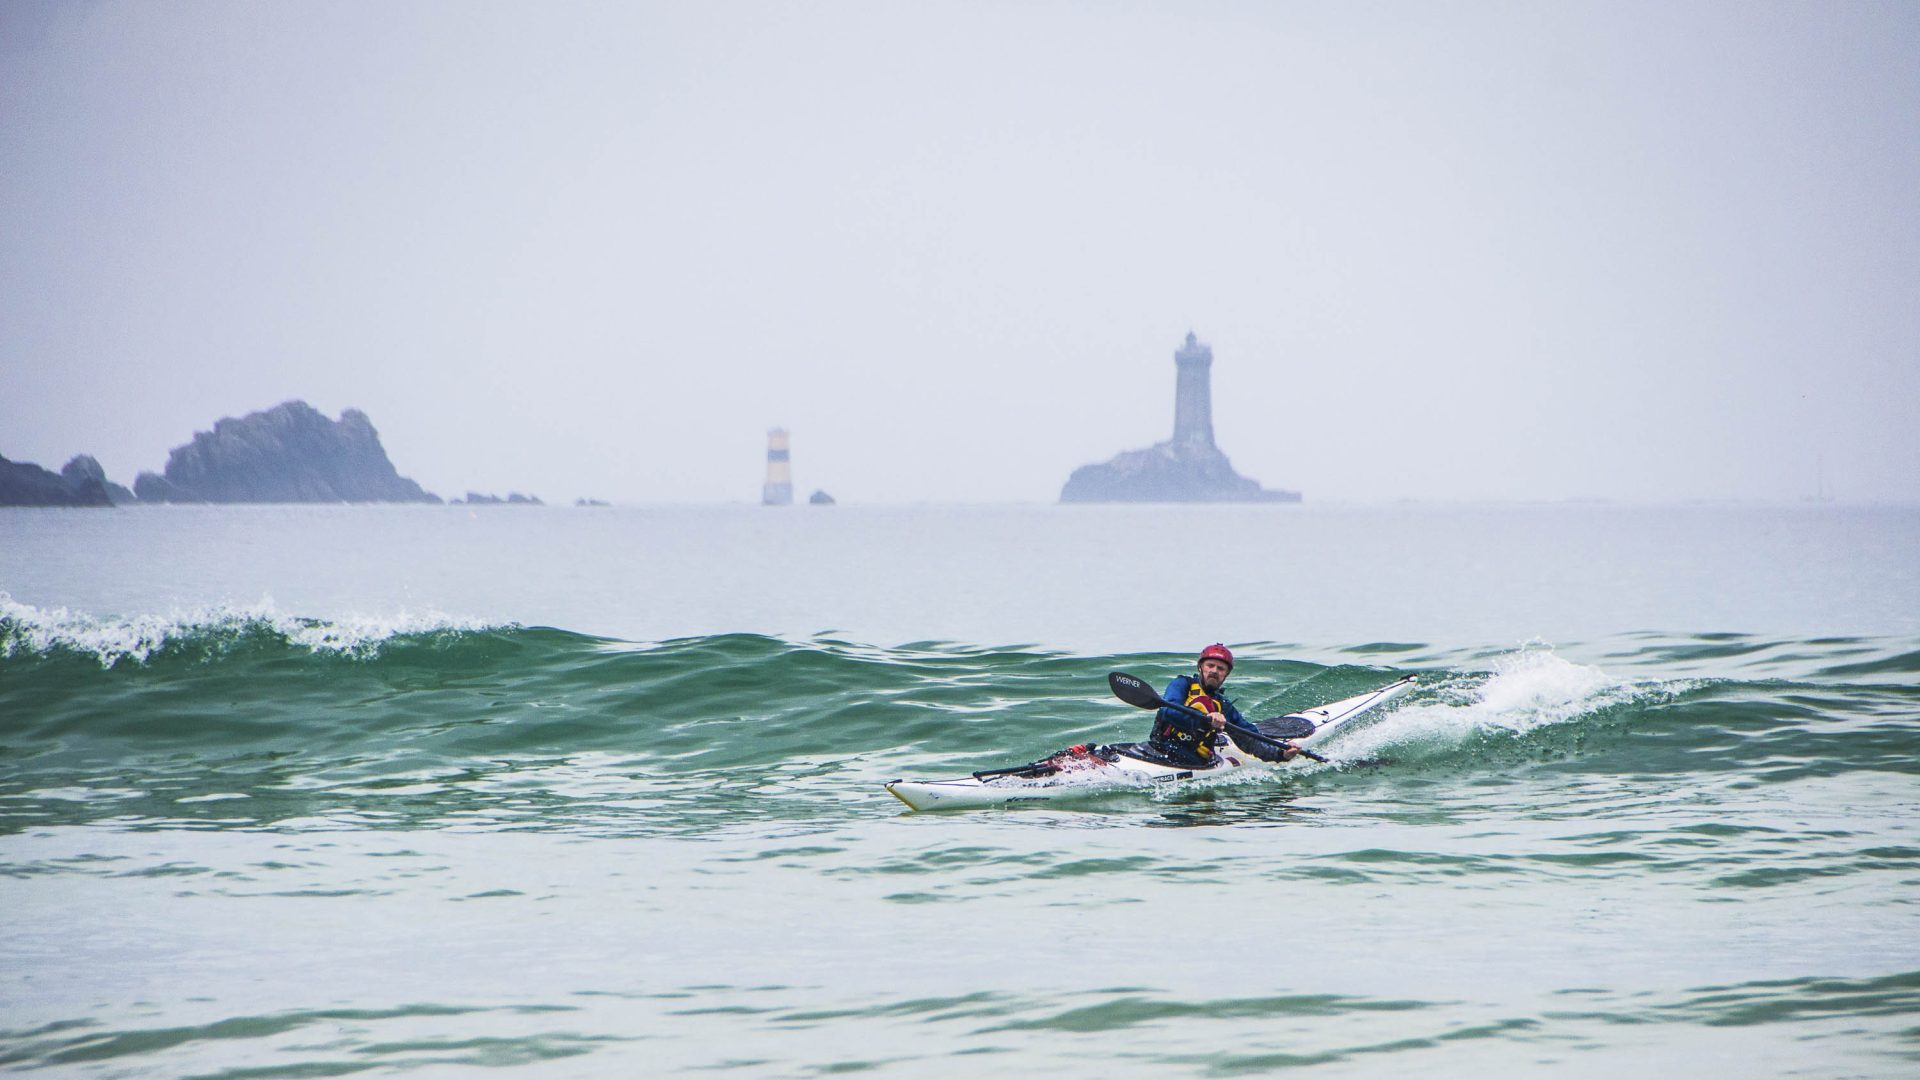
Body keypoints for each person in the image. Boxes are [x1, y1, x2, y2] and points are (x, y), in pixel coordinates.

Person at [1144, 643, 1299, 769]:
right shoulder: (1182, 684)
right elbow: (1168, 711)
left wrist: (1280, 754)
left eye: (1220, 668)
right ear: (1200, 667)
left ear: (1226, 674)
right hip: (1159, 749)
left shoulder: (1223, 706)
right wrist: (1206, 720)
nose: (1214, 671)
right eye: (1210, 665)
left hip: (1194, 762)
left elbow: (1250, 739)